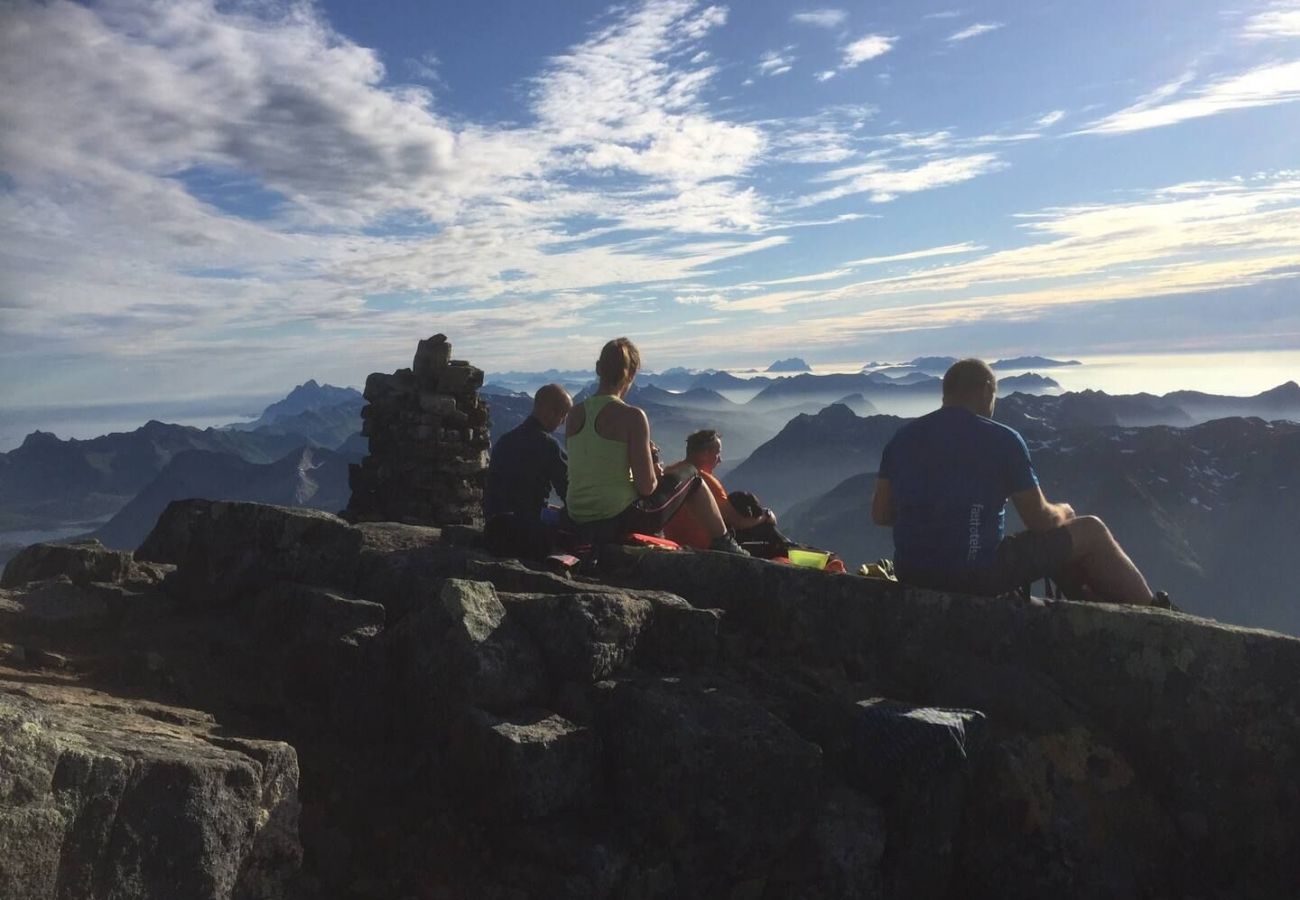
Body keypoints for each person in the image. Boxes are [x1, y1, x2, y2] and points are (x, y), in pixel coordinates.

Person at [871, 358, 1165, 605]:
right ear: (987, 390)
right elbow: (1039, 520)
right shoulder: (1001, 439)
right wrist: (1064, 511)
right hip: (976, 575)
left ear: (946, 393)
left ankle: (1090, 603)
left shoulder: (902, 439)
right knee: (1091, 529)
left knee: (1054, 541)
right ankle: (1155, 615)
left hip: (911, 572)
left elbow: (881, 515)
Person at [564, 338, 748, 555]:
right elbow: (646, 487)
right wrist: (654, 469)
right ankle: (724, 543)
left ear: (597, 368)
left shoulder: (574, 414)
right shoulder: (632, 416)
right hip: (617, 519)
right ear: (631, 374)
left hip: (575, 517)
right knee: (692, 475)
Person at [663, 430, 787, 556]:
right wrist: (766, 516)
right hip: (704, 547)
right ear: (705, 454)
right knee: (766, 530)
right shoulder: (703, 481)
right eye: (717, 454)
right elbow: (736, 521)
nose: (720, 460)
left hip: (674, 542)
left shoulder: (670, 472)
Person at [483, 383, 572, 557]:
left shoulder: (504, 441)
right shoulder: (548, 445)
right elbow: (570, 491)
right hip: (528, 531)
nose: (562, 422)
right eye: (562, 416)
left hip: (494, 528)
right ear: (550, 412)